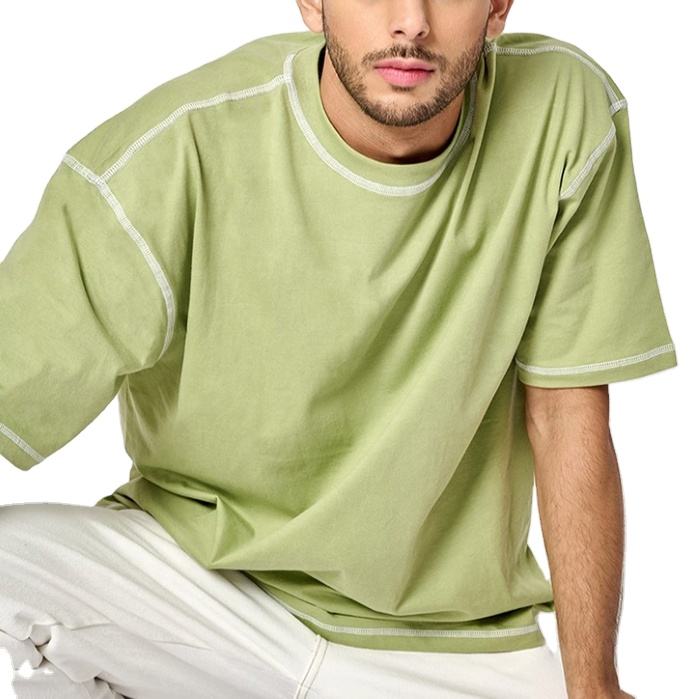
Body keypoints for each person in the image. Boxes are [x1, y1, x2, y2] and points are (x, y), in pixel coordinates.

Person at [0, 0, 676, 696]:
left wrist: (594, 686)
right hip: (193, 587)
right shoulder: (174, 153)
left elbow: (566, 417)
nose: (411, 21)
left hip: (448, 643)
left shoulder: (560, 114)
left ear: (498, 6)